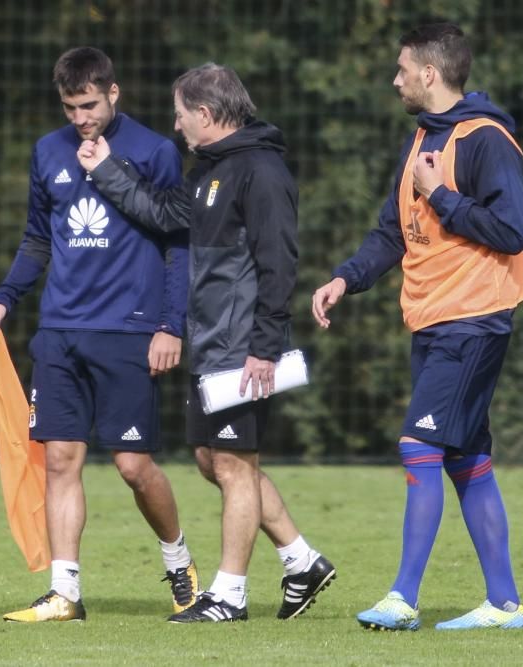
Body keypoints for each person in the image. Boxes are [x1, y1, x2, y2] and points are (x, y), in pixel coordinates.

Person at [77, 63, 335, 623]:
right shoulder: (210, 171)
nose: (176, 126)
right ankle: (302, 560)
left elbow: (278, 263)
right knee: (208, 458)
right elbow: (168, 215)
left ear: (206, 114)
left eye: (180, 114)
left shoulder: (262, 172)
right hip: (212, 343)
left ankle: (228, 596)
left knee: (236, 464)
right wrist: (108, 171)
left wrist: (264, 344)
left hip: (243, 346)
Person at [312, 23, 523, 631]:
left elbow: (512, 232)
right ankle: (504, 605)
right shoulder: (421, 139)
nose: (396, 79)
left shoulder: (487, 138)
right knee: (466, 459)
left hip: (474, 318)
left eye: (403, 69)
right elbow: (391, 231)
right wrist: (346, 279)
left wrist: (441, 195)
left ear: (430, 74)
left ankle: (403, 598)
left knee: (420, 443)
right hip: (433, 319)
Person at [0, 46, 199, 623]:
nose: (81, 117)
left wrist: (170, 325)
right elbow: (36, 240)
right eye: (71, 107)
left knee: (132, 465)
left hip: (129, 330)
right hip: (59, 332)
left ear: (113, 93)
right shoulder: (47, 151)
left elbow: (179, 243)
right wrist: (4, 299)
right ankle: (65, 592)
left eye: (90, 105)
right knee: (59, 461)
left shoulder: (155, 151)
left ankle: (179, 563)